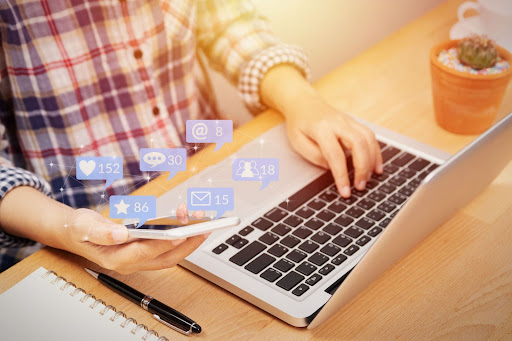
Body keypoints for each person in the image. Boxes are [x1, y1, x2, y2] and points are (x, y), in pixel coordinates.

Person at [0, 0, 382, 273]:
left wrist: (300, 98)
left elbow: (225, 21)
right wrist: (68, 229)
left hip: (215, 181)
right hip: (76, 230)